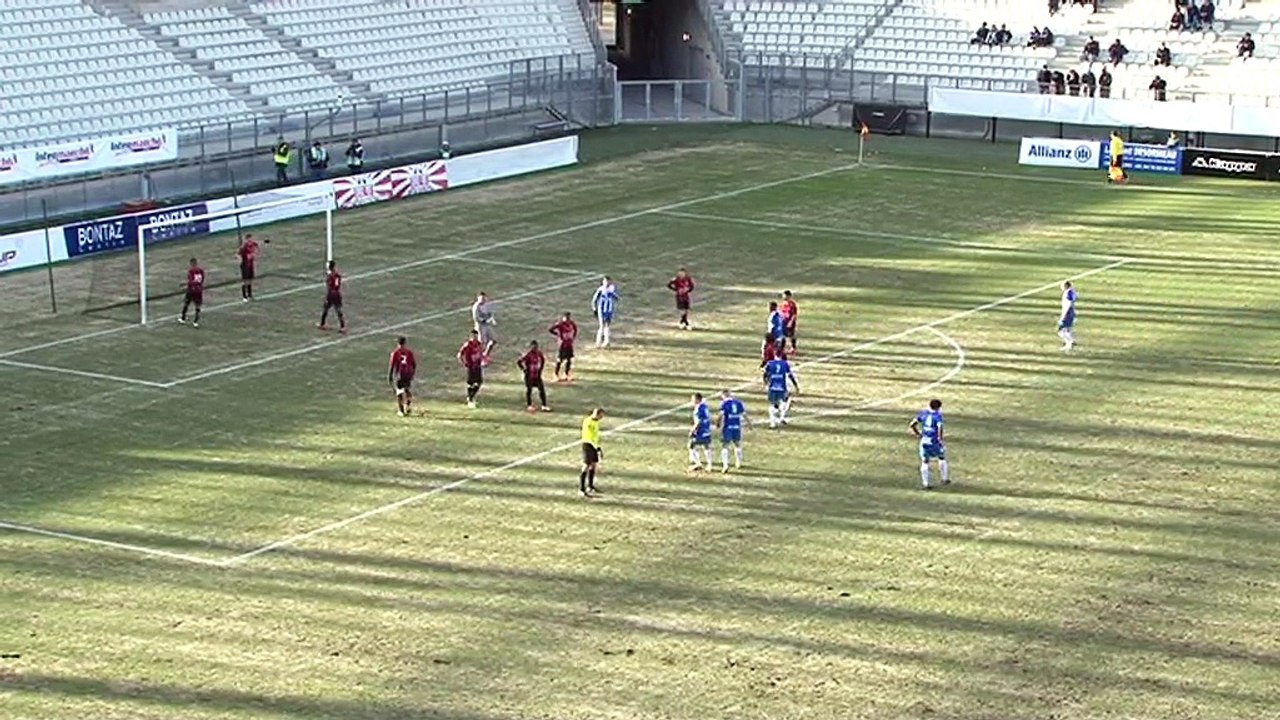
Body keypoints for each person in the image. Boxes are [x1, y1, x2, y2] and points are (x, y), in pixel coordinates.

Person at [909, 399, 949, 490]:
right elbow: (940, 427)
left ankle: (926, 484)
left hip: (924, 442)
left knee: (925, 461)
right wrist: (940, 439)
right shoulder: (937, 416)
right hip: (934, 442)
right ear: (938, 407)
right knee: (942, 458)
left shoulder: (924, 413)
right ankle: (944, 478)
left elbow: (912, 424)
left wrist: (918, 434)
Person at [763, 353, 799, 428]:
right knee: (784, 401)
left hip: (772, 387)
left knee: (772, 404)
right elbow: (790, 375)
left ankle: (772, 424)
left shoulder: (770, 363)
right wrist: (795, 385)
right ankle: (781, 417)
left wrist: (766, 383)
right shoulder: (785, 364)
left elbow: (765, 375)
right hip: (782, 387)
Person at [717, 390, 749, 473]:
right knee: (737, 444)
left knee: (725, 445)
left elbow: (721, 415)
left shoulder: (724, 404)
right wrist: (749, 424)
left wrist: (718, 423)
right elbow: (744, 414)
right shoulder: (738, 403)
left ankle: (725, 465)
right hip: (737, 427)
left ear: (724, 395)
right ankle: (738, 462)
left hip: (728, 427)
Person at [517, 340, 551, 412]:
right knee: (529, 390)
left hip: (537, 376)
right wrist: (524, 369)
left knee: (541, 390)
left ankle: (544, 405)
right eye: (533, 346)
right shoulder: (528, 355)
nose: (534, 348)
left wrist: (540, 369)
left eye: (535, 346)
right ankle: (529, 405)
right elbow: (519, 362)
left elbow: (542, 360)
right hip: (529, 376)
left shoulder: (539, 354)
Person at [388, 336, 417, 417]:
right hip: (408, 374)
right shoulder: (409, 352)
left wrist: (390, 376)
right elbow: (414, 364)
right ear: (405, 343)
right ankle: (408, 405)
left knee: (399, 392)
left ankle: (401, 411)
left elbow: (392, 365)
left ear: (398, 343)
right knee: (407, 390)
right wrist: (412, 373)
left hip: (399, 375)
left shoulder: (395, 353)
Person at [579, 407, 604, 497]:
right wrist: (596, 447)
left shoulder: (596, 422)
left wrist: (598, 447)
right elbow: (589, 436)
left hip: (594, 445)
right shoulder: (588, 422)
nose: (602, 417)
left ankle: (590, 486)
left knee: (593, 465)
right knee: (586, 466)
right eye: (601, 415)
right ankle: (581, 489)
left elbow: (595, 436)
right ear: (597, 414)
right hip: (587, 444)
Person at [457, 329, 486, 408]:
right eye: (473, 336)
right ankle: (470, 398)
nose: (475, 337)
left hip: (478, 366)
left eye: (476, 336)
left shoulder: (479, 344)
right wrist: (464, 362)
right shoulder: (468, 345)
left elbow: (480, 353)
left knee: (479, 382)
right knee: (471, 383)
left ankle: (471, 397)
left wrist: (483, 359)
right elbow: (460, 354)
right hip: (471, 366)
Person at [687, 392, 714, 471]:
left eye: (693, 399)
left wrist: (693, 430)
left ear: (698, 399)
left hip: (700, 430)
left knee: (691, 445)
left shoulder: (698, 408)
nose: (692, 401)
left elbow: (698, 421)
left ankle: (698, 463)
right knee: (706, 446)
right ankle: (709, 465)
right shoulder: (705, 407)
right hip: (706, 429)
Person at [318, 260, 346, 333]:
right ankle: (343, 326)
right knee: (338, 310)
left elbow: (329, 286)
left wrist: (328, 296)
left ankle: (322, 324)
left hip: (331, 294)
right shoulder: (338, 275)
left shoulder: (330, 276)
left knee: (326, 308)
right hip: (337, 293)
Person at [549, 311, 578, 382]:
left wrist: (573, 337)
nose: (567, 319)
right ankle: (556, 374)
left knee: (569, 359)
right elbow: (550, 329)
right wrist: (558, 334)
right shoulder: (560, 324)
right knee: (560, 359)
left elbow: (575, 329)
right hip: (562, 344)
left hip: (569, 344)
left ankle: (566, 373)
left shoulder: (571, 323)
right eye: (566, 317)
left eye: (568, 317)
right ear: (563, 318)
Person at [591, 276, 618, 347]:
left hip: (609, 310)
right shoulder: (600, 290)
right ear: (603, 282)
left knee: (607, 325)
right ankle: (598, 342)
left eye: (608, 281)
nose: (606, 283)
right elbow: (594, 299)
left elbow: (616, 297)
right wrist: (594, 309)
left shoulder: (611, 289)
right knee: (601, 325)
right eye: (605, 281)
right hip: (601, 310)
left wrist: (613, 294)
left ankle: (607, 341)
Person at [178, 257, 204, 328]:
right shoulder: (201, 270)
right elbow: (202, 280)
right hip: (199, 290)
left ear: (191, 263)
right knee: (198, 305)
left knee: (186, 303)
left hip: (192, 290)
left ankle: (183, 318)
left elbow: (190, 281)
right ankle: (196, 321)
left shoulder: (191, 271)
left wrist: (184, 284)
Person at [471, 291, 496, 361]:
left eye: (484, 298)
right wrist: (485, 320)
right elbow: (476, 318)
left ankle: (486, 354)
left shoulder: (487, 305)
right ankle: (480, 358)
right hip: (480, 327)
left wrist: (491, 319)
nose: (483, 300)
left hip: (487, 325)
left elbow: (490, 313)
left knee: (493, 340)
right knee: (482, 343)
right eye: (481, 298)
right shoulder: (476, 307)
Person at [236, 233, 260, 301]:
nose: (250, 241)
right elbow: (238, 254)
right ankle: (244, 296)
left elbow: (257, 245)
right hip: (245, 266)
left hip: (250, 265)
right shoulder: (244, 247)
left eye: (251, 239)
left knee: (250, 280)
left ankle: (250, 295)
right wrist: (241, 260)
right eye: (249, 239)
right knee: (245, 281)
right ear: (246, 240)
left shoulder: (253, 244)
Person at [1058, 280, 1078, 351]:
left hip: (1068, 313)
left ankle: (1070, 342)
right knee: (1066, 329)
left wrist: (1063, 316)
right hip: (1071, 313)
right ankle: (1069, 343)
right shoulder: (1071, 291)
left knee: (1061, 331)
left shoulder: (1068, 292)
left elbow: (1068, 304)